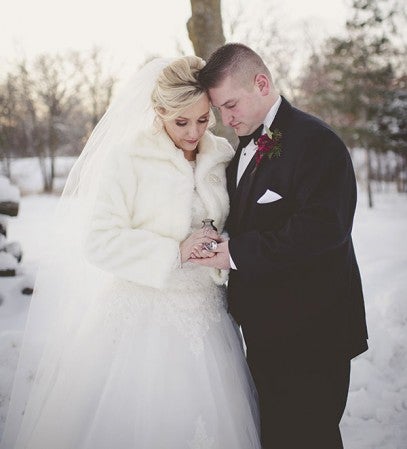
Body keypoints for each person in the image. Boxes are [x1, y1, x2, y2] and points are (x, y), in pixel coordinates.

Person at [0, 56, 261, 449]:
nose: (194, 133)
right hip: (143, 313)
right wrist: (173, 251)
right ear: (159, 112)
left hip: (208, 316)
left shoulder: (222, 153)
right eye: (181, 122)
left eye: (203, 119)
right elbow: (100, 240)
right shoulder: (128, 158)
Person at [194, 43, 369, 449]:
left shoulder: (317, 142)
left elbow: (325, 228)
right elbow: (256, 218)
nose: (226, 117)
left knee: (311, 437)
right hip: (266, 332)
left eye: (231, 104)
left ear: (262, 83)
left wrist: (237, 252)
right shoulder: (243, 148)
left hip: (313, 335)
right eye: (220, 109)